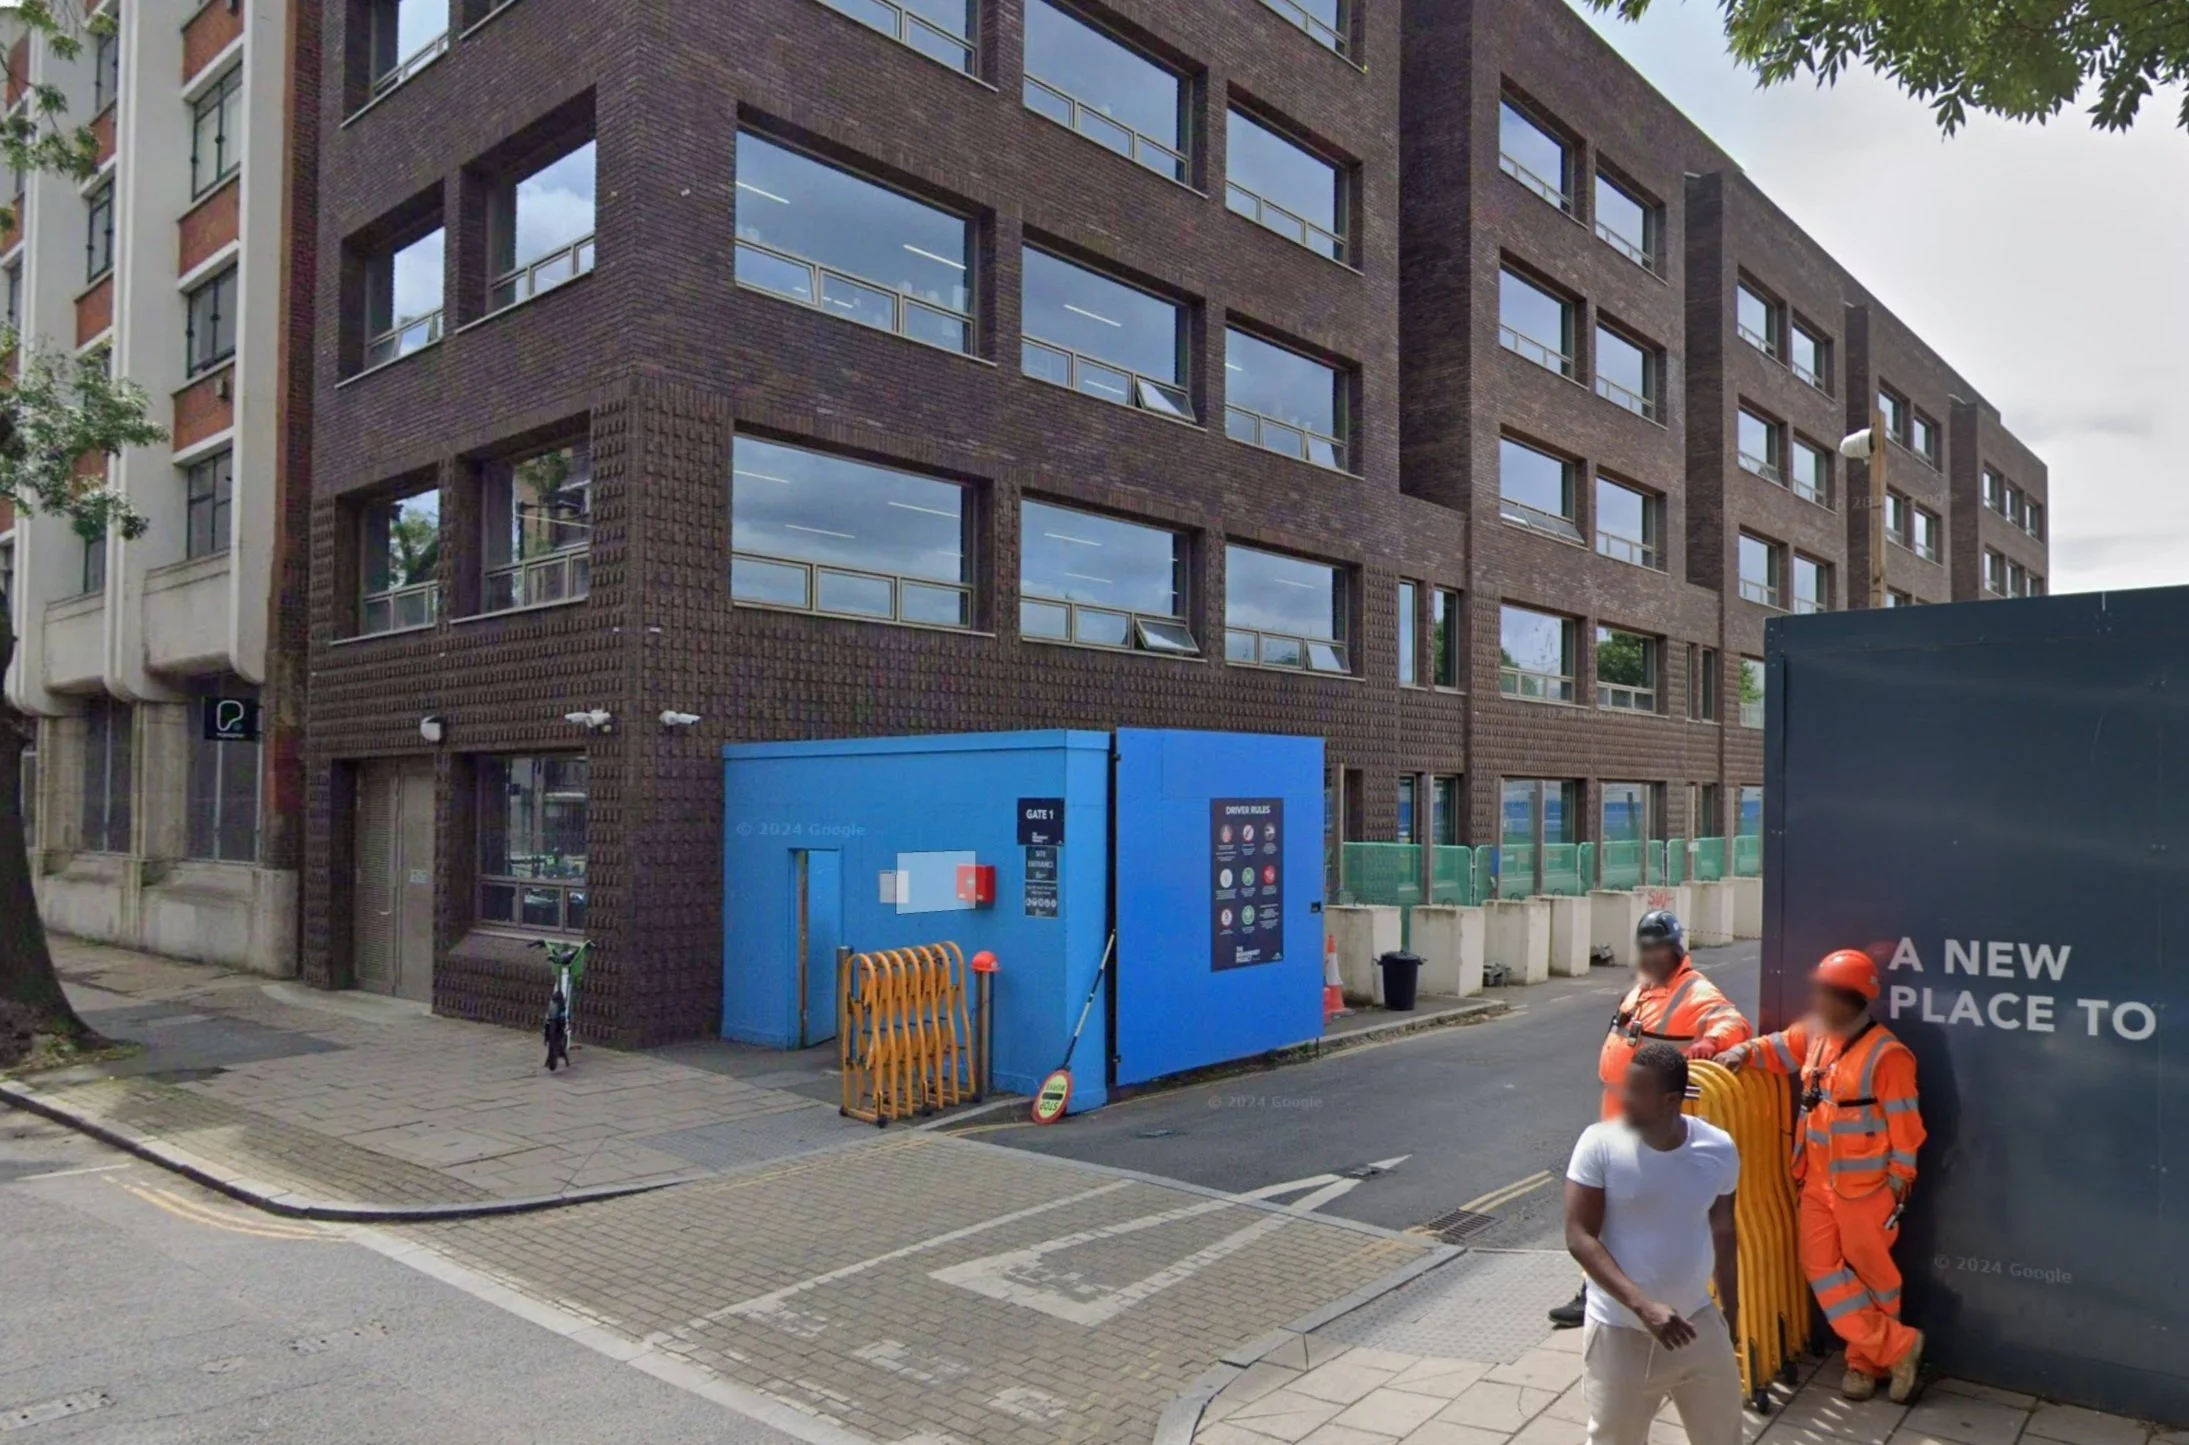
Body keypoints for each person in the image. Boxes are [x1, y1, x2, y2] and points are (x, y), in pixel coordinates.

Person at [1722, 948, 1925, 1403]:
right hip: (1817, 1184)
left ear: (1852, 1000)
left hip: (1868, 1191)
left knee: (1876, 1279)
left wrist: (1896, 1186)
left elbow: (1907, 1131)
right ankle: (1899, 1346)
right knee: (1822, 1269)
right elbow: (1776, 1048)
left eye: (1828, 995)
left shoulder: (1888, 1056)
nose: (1819, 1003)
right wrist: (1741, 1051)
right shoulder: (1816, 1035)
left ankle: (1863, 1364)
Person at [1550, 910, 1753, 1327]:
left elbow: (1733, 1023)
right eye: (1645, 948)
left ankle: (1629, 1297)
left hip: (1647, 1123)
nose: (1650, 956)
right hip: (1617, 1112)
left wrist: (1710, 1043)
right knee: (1600, 1210)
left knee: (1629, 1212)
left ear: (1676, 950)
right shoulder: (1645, 988)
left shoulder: (1694, 991)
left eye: (1658, 948)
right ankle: (1594, 1292)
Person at [1565, 1041, 1744, 1445]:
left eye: (1635, 1091)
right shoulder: (1599, 1144)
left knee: (1724, 1436)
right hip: (1620, 1332)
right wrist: (1644, 1307)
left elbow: (1723, 1229)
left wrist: (1730, 1312)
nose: (1622, 1098)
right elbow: (1579, 1236)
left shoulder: (1717, 1149)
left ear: (1670, 1101)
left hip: (1696, 1324)